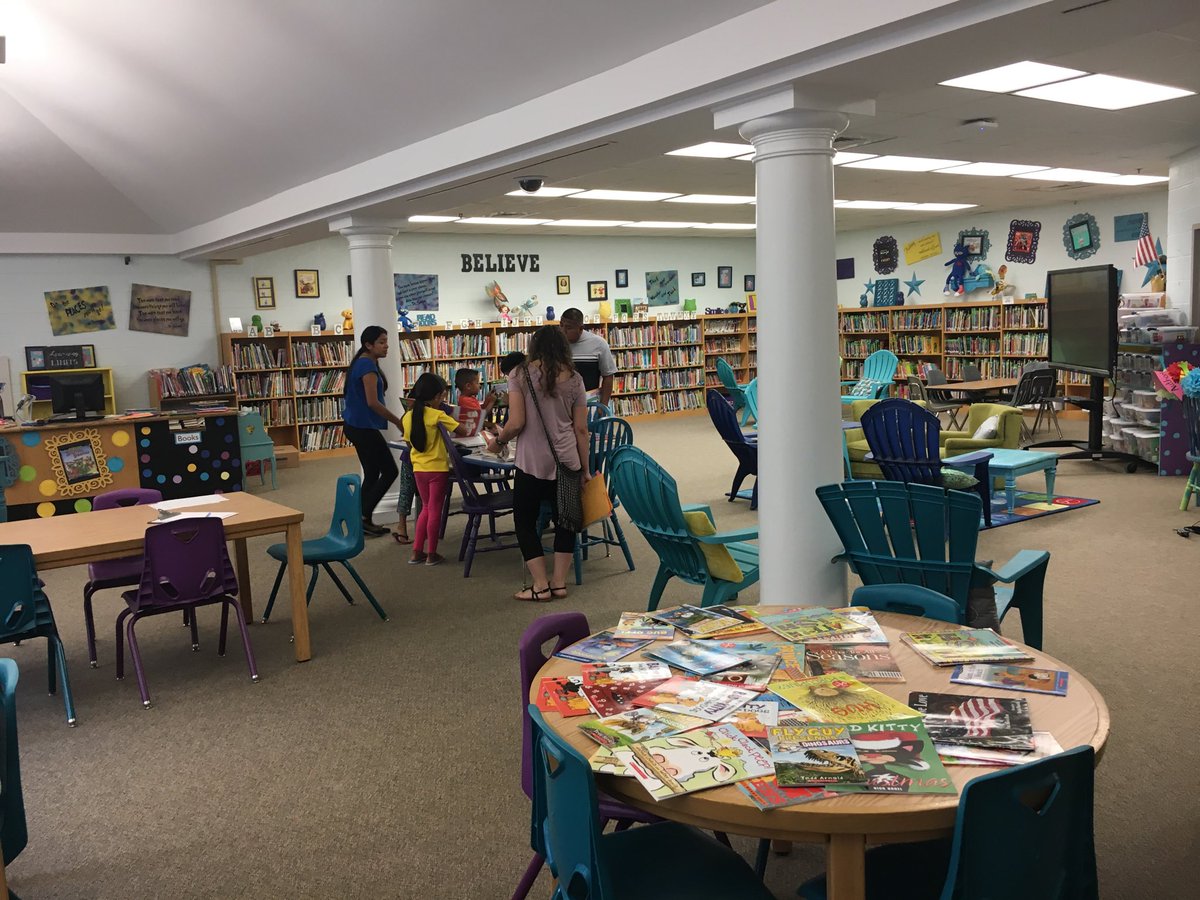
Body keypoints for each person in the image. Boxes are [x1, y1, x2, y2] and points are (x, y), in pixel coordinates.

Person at [487, 325, 589, 601]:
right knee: (566, 521)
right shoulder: (576, 379)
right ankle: (559, 583)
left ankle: (540, 585)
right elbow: (581, 430)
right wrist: (586, 469)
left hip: (531, 462)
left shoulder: (519, 374)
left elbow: (517, 422)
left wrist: (498, 441)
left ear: (533, 347)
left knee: (525, 520)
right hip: (567, 461)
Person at [400, 372, 472, 566]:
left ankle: (417, 551)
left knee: (425, 508)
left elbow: (408, 443)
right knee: (435, 510)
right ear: (436, 397)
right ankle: (431, 553)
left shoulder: (408, 416)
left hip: (418, 469)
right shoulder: (438, 415)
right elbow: (463, 431)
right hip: (437, 469)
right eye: (442, 397)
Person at [342, 325, 406, 536]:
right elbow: (373, 403)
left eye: (386, 341)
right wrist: (398, 421)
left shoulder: (365, 362)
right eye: (381, 342)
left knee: (371, 473)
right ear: (368, 345)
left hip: (356, 425)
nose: (386, 346)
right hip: (362, 427)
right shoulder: (366, 366)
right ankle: (362, 517)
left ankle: (360, 518)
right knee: (390, 471)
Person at [559, 308, 616, 407]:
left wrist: (603, 404)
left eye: (568, 328)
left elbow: (608, 376)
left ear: (580, 328)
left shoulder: (599, 344)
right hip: (562, 404)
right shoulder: (555, 344)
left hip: (589, 402)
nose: (563, 330)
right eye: (561, 325)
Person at [454, 368, 495, 436]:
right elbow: (481, 417)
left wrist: (487, 400)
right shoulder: (466, 401)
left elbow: (479, 410)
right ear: (468, 386)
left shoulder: (469, 398)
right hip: (473, 433)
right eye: (477, 383)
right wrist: (491, 402)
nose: (479, 385)